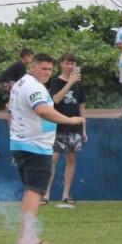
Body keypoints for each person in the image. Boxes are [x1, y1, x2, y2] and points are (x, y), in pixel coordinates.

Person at [9, 53, 86, 244]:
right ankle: (27, 238)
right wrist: (70, 120)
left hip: (22, 143)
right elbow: (42, 110)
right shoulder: (33, 87)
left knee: (30, 191)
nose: (47, 72)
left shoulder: (20, 84)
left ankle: (28, 235)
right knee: (35, 192)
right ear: (31, 68)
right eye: (43, 68)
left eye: (50, 69)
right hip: (35, 146)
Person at [45, 54, 86, 206]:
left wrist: (84, 129)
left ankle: (66, 194)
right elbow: (56, 99)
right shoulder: (56, 81)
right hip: (58, 125)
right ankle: (46, 194)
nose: (70, 66)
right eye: (67, 63)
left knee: (71, 159)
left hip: (75, 126)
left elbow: (82, 106)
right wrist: (70, 82)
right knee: (53, 159)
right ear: (61, 64)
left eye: (73, 64)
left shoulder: (79, 84)